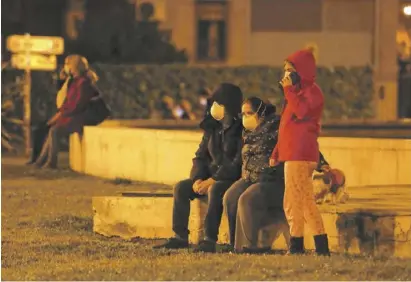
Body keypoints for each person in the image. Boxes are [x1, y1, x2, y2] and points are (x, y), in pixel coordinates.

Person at [223, 97, 330, 253]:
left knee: (247, 199)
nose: (246, 117)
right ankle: (236, 245)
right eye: (243, 114)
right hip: (250, 178)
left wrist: (322, 163)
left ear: (261, 113)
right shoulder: (247, 133)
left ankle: (253, 246)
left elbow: (299, 143)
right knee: (230, 197)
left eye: (249, 113)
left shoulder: (277, 127)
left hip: (273, 180)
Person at [153, 83, 243, 253]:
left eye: (219, 103)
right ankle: (180, 236)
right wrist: (197, 178)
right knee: (181, 187)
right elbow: (200, 156)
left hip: (228, 179)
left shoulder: (241, 130)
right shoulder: (212, 127)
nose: (214, 106)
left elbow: (237, 162)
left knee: (215, 189)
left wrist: (213, 179)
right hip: (208, 177)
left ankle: (209, 240)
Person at [270, 48, 330, 256]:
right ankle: (318, 246)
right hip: (293, 153)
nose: (286, 75)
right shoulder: (295, 93)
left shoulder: (311, 92)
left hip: (300, 155)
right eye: (285, 70)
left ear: (301, 71)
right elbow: (287, 127)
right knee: (301, 200)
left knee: (296, 201)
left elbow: (302, 113)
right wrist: (277, 152)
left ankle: (298, 246)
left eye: (290, 71)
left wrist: (289, 91)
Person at [33, 55, 101, 169]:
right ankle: (41, 161)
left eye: (67, 64)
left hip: (80, 118)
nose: (65, 67)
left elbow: (77, 104)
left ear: (73, 67)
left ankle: (51, 163)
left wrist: (61, 114)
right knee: (53, 129)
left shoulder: (83, 83)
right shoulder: (76, 81)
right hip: (74, 115)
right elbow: (68, 100)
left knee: (55, 131)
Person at [26, 61, 73, 165]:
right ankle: (37, 158)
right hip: (57, 113)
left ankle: (41, 159)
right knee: (38, 129)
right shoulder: (62, 83)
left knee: (45, 129)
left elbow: (67, 104)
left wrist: (55, 117)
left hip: (61, 114)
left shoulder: (70, 84)